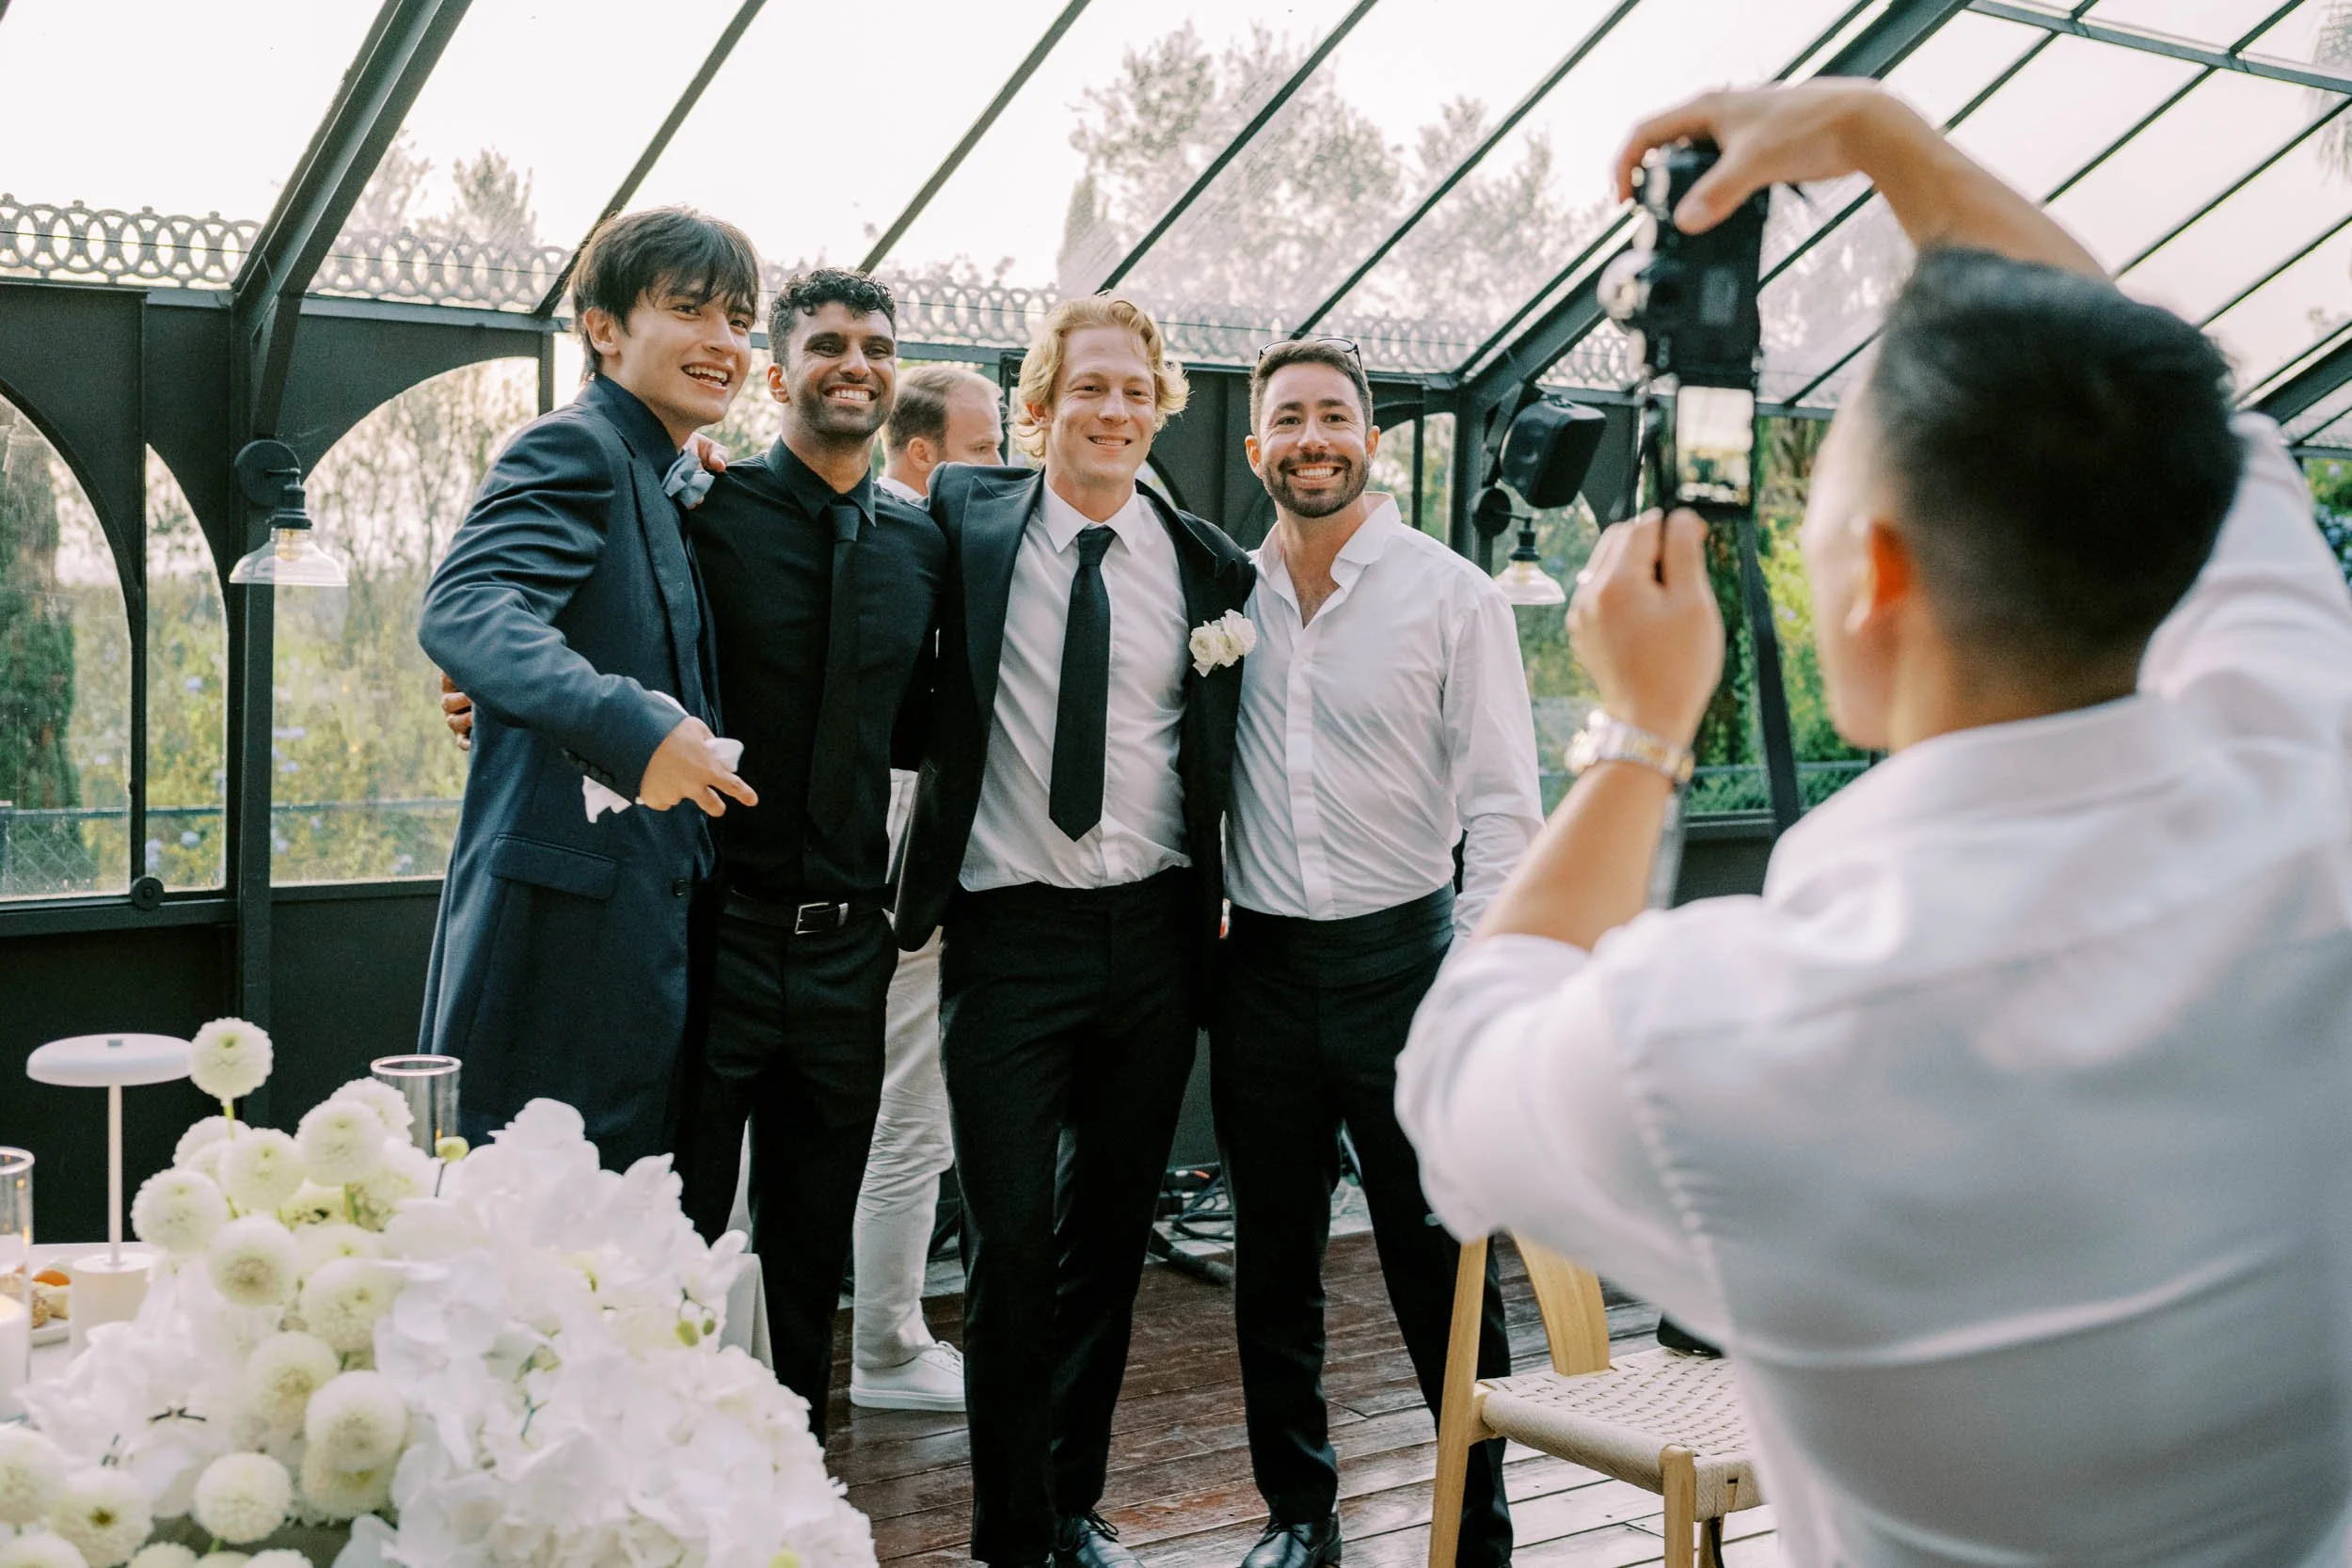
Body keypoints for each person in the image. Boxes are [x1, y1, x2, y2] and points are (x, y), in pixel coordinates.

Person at [1397, 80, 2352, 1566]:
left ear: (1878, 575)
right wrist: (1883, 139)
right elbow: (2181, 416)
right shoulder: (2313, 763)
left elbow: (1459, 1079)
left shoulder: (1748, 1029)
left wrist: (1638, 732)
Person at [895, 296, 1255, 1568]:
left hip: (1156, 939)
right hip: (1006, 940)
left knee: (1106, 1240)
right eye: (1087, 388)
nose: (1112, 411)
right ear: (1041, 403)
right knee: (1005, 1239)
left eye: (1134, 390)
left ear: (1163, 405)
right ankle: (1009, 1536)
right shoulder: (960, 517)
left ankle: (1072, 1502)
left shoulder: (1211, 565)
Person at [1216, 339, 1542, 1568]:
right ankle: (1298, 1511)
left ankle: (1479, 1523)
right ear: (1257, 449)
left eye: (1334, 416)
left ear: (1369, 436)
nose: (1312, 438)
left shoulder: (1453, 594)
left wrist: (1468, 985)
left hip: (1410, 965)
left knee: (1441, 1260)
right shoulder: (1221, 595)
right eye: (1288, 419)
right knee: (1271, 1262)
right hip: (1261, 969)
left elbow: (1508, 810)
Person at [417, 206, 760, 1170]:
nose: (723, 342)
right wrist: (632, 727)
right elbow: (468, 607)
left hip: (652, 935)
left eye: (739, 319)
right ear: (603, 328)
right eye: (691, 310)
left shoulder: (664, 470)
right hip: (556, 950)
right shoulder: (574, 448)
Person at [666, 268, 948, 1443]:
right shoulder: (703, 517)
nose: (856, 364)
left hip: (847, 952)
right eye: (827, 345)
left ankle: (796, 1476)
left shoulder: (928, 549)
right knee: (672, 1231)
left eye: (876, 347)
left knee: (808, 1247)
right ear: (779, 375)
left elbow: (942, 724)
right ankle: (656, 1479)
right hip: (707, 937)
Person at [848, 362, 1005, 1415]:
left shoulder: (866, 536)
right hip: (910, 863)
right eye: (987, 448)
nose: (1004, 471)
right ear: (921, 455)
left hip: (852, 863)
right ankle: (888, 1342)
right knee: (911, 1108)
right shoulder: (914, 552)